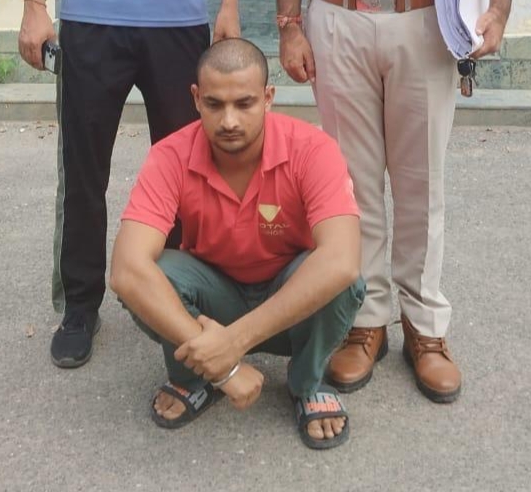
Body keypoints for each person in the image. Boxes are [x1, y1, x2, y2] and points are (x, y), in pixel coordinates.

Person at [110, 38, 365, 449]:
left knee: (341, 280)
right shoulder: (170, 155)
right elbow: (126, 270)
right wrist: (225, 369)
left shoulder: (313, 149)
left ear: (268, 98)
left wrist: (233, 344)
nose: (229, 120)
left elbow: (342, 259)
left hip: (289, 298)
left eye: (244, 104)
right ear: (196, 99)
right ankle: (195, 377)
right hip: (214, 300)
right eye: (214, 104)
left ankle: (307, 382)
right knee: (154, 273)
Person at [276, 0, 511, 403]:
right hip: (338, 19)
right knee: (352, 186)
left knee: (422, 185)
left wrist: (500, 12)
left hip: (424, 20)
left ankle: (425, 325)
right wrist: (289, 24)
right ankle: (363, 319)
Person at [17, 0, 241, 368]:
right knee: (81, 172)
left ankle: (182, 296)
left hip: (179, 21)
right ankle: (80, 305)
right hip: (90, 19)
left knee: (190, 173)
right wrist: (35, 8)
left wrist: (230, 6)